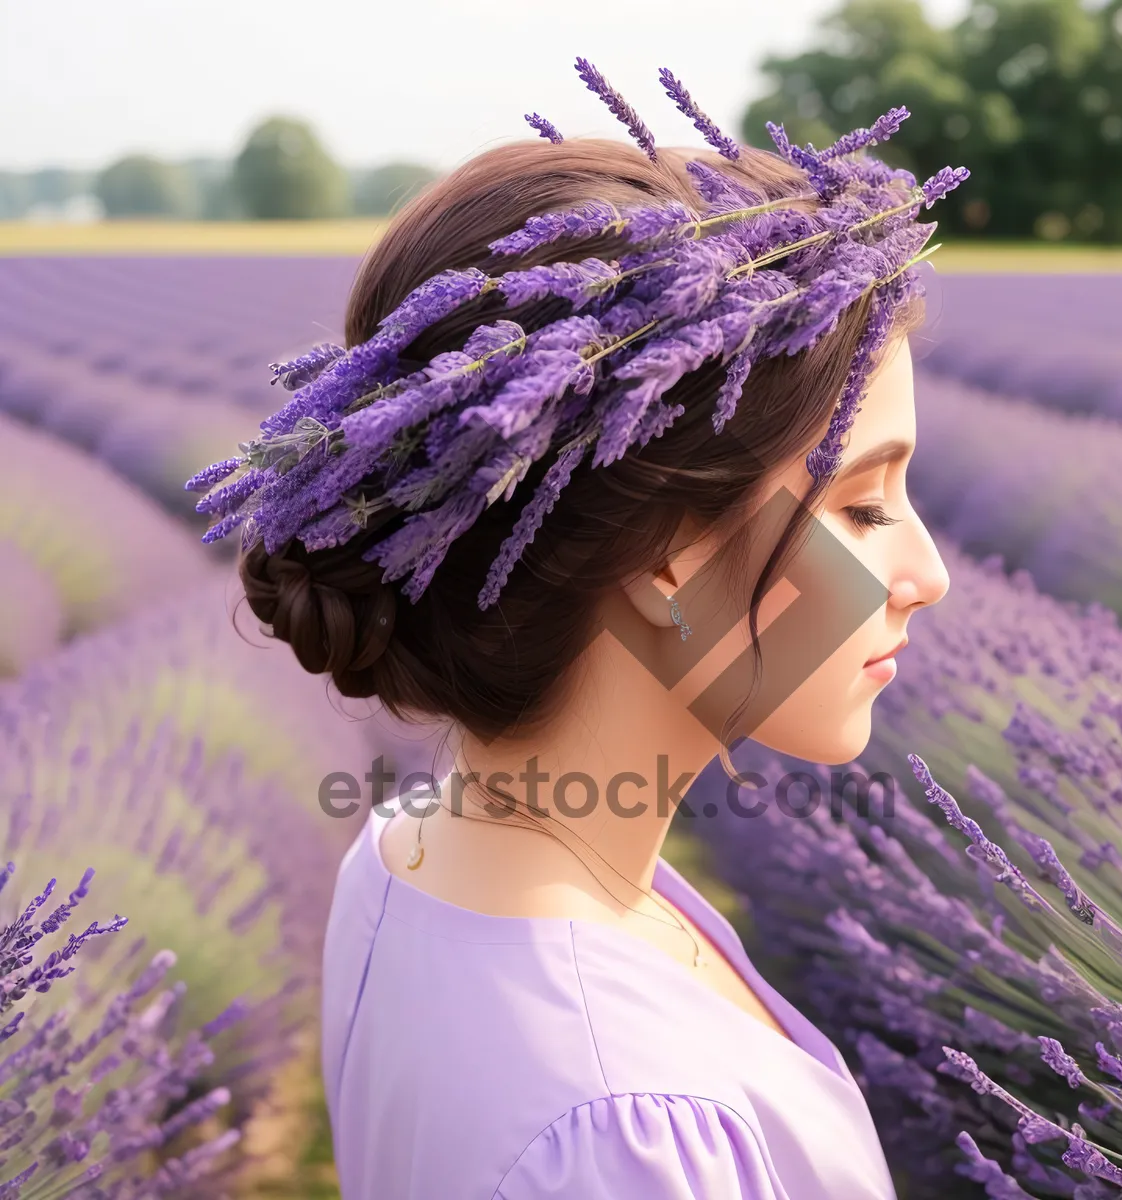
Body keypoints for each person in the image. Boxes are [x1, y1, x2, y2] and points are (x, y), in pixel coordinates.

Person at [193, 61, 959, 1200]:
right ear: (666, 560)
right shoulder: (624, 1137)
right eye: (859, 504)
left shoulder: (413, 853)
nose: (928, 575)